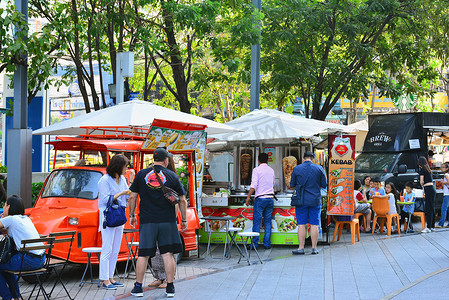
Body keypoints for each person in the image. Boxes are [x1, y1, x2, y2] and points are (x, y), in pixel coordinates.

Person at [128, 148, 187, 298]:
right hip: (167, 221)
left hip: (148, 221)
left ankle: (138, 288)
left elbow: (132, 197)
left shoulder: (141, 174)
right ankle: (170, 287)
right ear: (166, 160)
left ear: (153, 159)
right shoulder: (172, 176)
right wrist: (184, 219)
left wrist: (132, 214)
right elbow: (182, 200)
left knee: (143, 255)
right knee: (168, 254)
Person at [0, 195, 45, 300]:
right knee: (5, 267)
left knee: (3, 264)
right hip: (41, 260)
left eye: (5, 204)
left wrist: (3, 219)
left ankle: (8, 297)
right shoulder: (26, 219)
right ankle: (16, 297)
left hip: (27, 259)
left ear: (9, 207)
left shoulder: (11, 219)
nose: (3, 206)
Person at [98, 154, 130, 290]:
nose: (126, 169)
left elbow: (125, 198)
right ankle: (105, 280)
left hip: (119, 216)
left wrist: (126, 197)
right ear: (118, 166)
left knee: (116, 248)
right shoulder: (104, 180)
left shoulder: (122, 179)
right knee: (107, 249)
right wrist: (122, 193)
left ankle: (111, 277)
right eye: (125, 166)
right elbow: (105, 200)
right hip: (108, 217)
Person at [148, 153, 178, 289]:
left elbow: (177, 201)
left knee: (167, 251)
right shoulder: (150, 179)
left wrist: (176, 219)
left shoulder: (171, 177)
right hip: (154, 218)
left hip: (167, 219)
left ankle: (168, 279)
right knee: (156, 251)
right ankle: (159, 277)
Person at [290, 152, 327, 255]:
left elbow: (292, 184)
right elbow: (324, 185)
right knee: (314, 224)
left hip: (301, 200)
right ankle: (314, 248)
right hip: (315, 200)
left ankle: (301, 248)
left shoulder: (297, 169)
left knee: (301, 224)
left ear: (303, 158)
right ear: (313, 159)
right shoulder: (319, 168)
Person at [245, 153, 275, 250]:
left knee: (257, 222)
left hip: (260, 199)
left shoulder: (256, 170)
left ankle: (255, 244)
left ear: (258, 160)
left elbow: (254, 185)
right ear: (267, 160)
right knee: (267, 221)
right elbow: (273, 184)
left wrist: (248, 197)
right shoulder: (271, 170)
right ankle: (267, 244)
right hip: (270, 199)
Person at [419, 156, 436, 233]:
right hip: (432, 188)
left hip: (427, 188)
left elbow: (421, 182)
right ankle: (432, 226)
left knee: (428, 208)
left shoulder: (422, 170)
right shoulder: (428, 169)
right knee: (432, 207)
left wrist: (421, 184)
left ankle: (428, 227)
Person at [436, 162, 449, 228]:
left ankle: (441, 224)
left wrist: (443, 182)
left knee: (444, 209)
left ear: (447, 168)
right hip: (447, 194)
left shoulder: (446, 175)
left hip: (447, 194)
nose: (442, 168)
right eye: (441, 167)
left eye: (443, 167)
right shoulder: (447, 174)